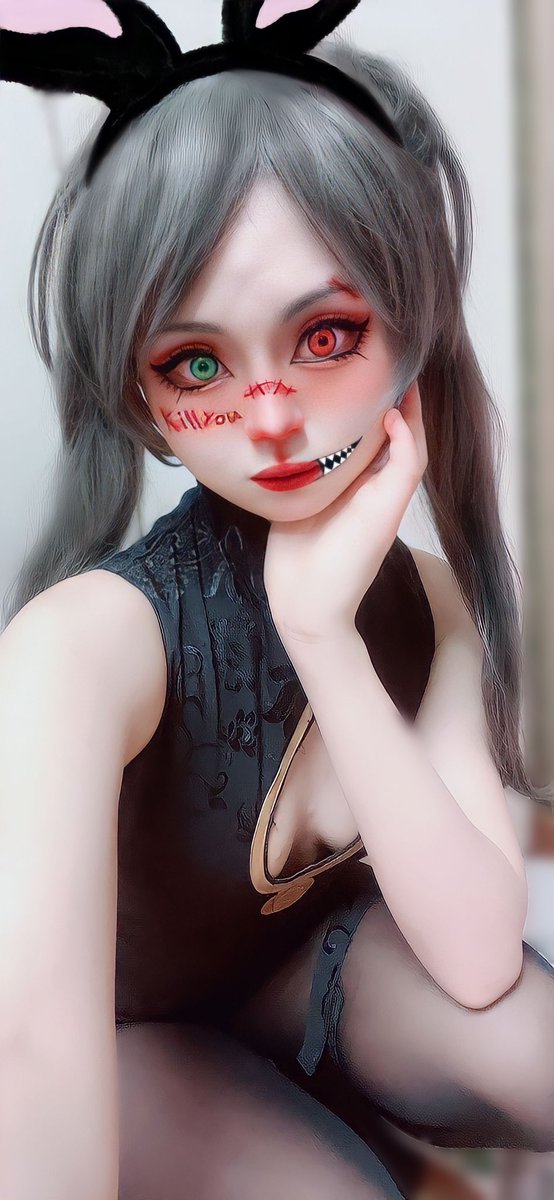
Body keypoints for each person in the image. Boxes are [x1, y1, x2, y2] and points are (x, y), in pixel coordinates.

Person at [1, 3, 553, 1199]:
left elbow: (474, 961)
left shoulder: (430, 603)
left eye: (326, 334)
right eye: (195, 363)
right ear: (142, 399)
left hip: (306, 975)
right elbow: (30, 1049)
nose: (268, 419)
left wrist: (320, 632)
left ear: (408, 324)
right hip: (132, 1038)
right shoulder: (83, 648)